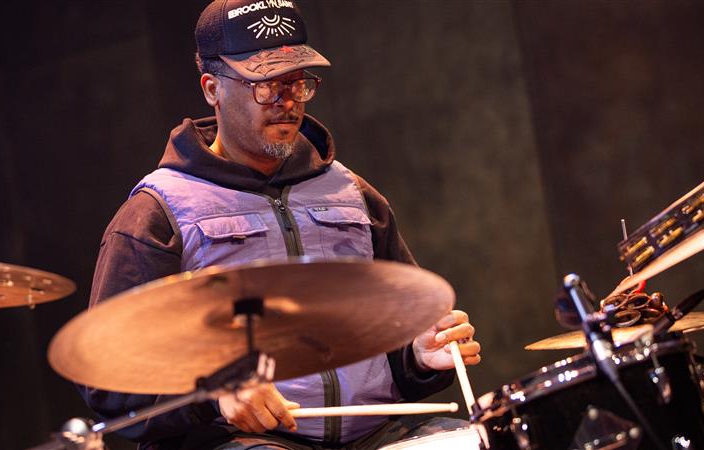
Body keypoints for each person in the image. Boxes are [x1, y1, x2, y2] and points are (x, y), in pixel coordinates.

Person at [81, 1, 481, 449]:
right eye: (266, 86)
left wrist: (421, 358)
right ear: (212, 88)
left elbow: (399, 347)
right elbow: (109, 384)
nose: (287, 102)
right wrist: (211, 396)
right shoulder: (158, 212)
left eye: (297, 83)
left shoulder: (352, 193)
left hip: (377, 434)